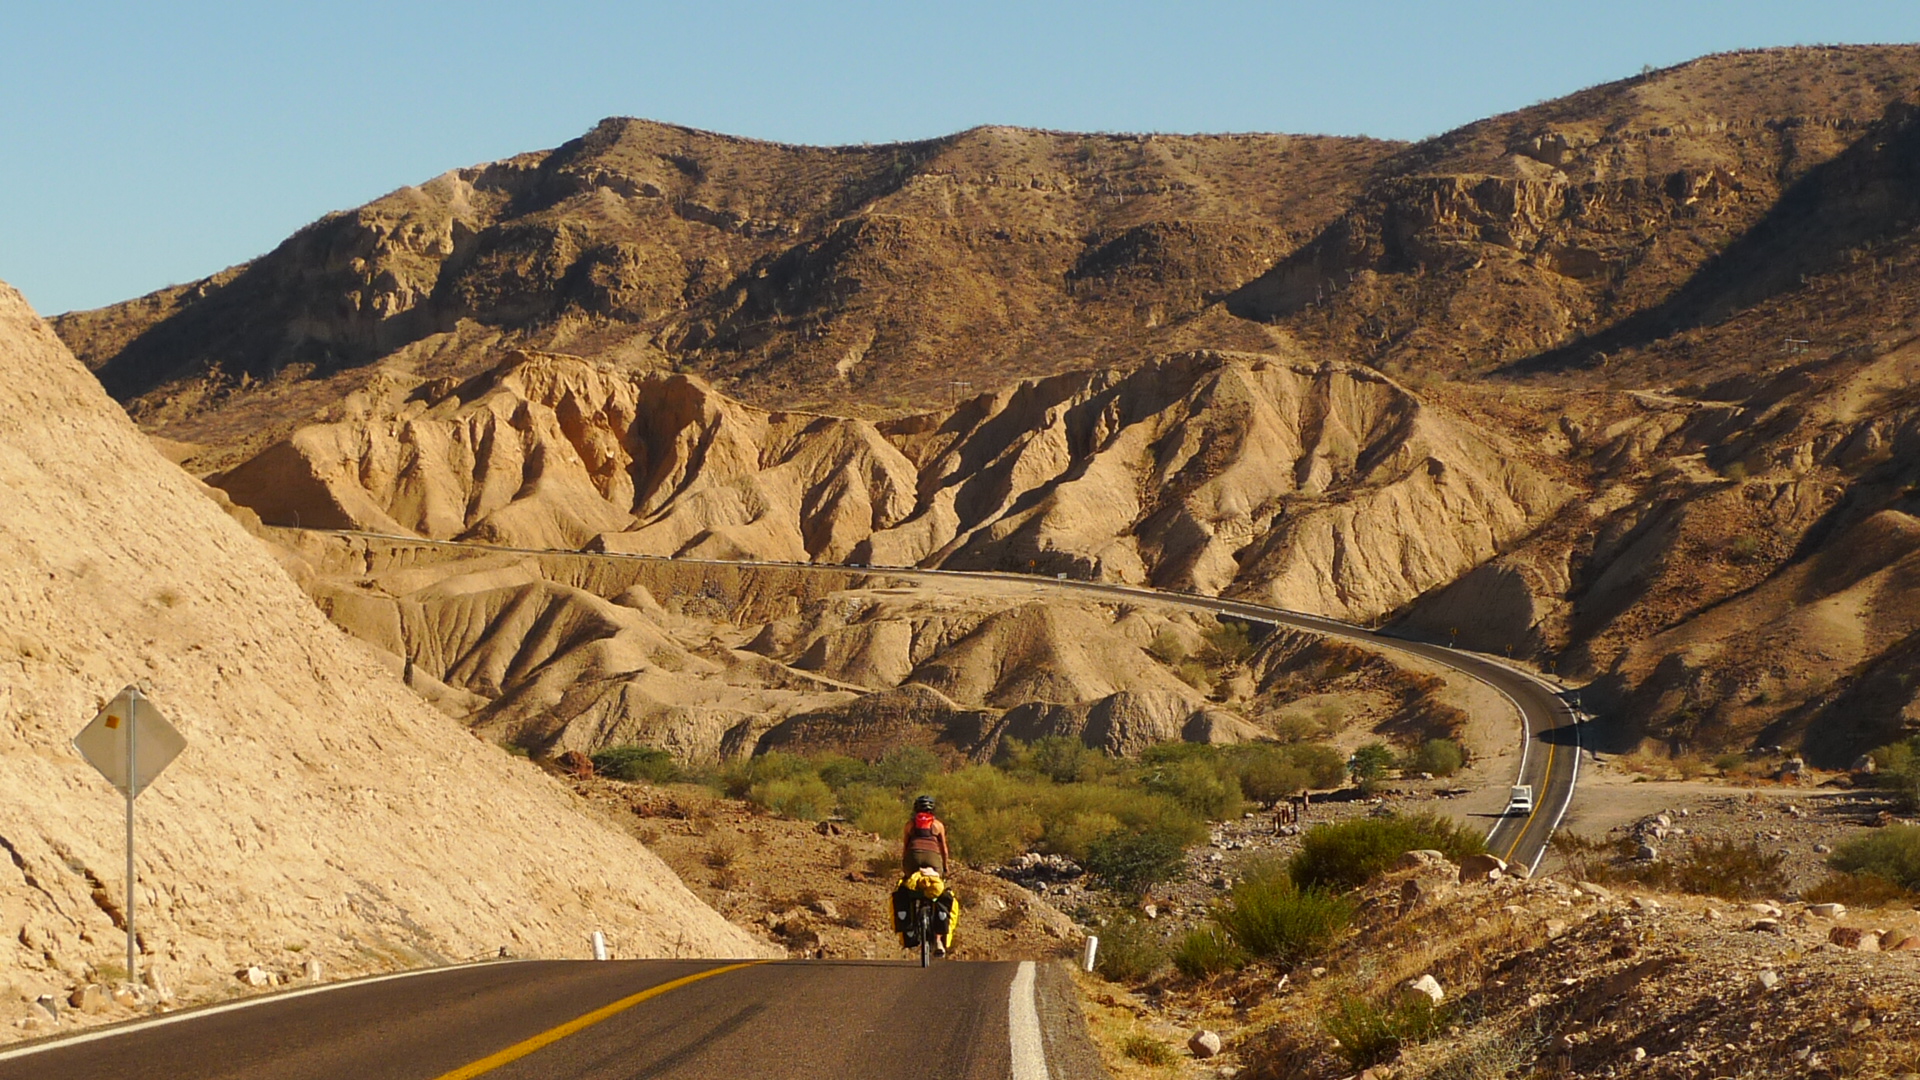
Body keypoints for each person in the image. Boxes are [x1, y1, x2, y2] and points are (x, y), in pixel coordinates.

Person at [901, 794, 950, 877]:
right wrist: (945, 867)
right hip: (932, 857)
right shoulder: (938, 825)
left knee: (908, 879)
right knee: (937, 879)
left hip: (913, 856)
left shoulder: (910, 824)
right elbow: (944, 849)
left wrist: (905, 864)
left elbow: (906, 846)